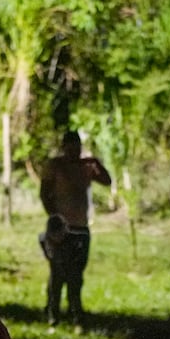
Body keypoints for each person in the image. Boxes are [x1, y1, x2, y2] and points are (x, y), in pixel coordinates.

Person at [38, 131, 111, 325]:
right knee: (57, 273)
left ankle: (75, 312)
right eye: (70, 148)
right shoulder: (55, 166)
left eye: (76, 148)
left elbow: (107, 181)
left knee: (76, 274)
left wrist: (96, 163)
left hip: (81, 227)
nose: (73, 152)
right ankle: (53, 313)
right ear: (64, 148)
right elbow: (44, 193)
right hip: (60, 229)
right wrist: (55, 219)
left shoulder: (86, 166)